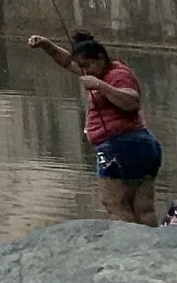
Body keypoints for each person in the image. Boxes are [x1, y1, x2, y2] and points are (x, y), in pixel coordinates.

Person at [25, 31, 162, 224]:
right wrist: (47, 45)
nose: (84, 72)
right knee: (143, 207)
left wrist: (100, 86)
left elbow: (132, 101)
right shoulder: (100, 70)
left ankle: (129, 251)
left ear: (100, 58)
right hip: (143, 146)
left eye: (87, 66)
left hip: (120, 146)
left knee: (115, 205)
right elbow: (67, 62)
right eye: (82, 67)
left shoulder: (117, 74)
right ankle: (152, 247)